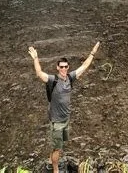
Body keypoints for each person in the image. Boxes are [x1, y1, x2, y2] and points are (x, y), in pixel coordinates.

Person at [28, 42, 100, 173]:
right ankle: (55, 170)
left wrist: (93, 52)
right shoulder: (52, 80)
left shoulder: (70, 78)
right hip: (57, 121)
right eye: (61, 67)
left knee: (59, 146)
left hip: (66, 119)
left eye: (66, 67)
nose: (64, 69)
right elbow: (39, 73)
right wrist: (35, 58)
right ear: (57, 68)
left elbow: (84, 66)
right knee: (56, 148)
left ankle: (53, 160)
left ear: (68, 67)